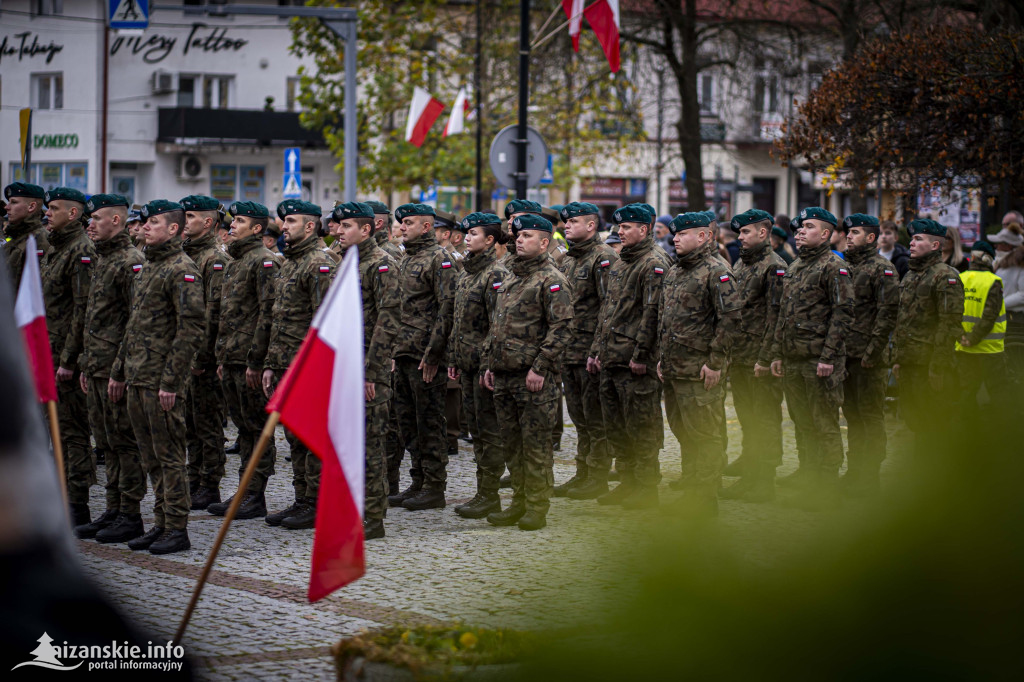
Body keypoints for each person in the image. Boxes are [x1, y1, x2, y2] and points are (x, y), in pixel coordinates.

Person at [122, 200, 205, 554]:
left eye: (153, 223)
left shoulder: (181, 269)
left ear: (173, 228)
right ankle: (161, 523)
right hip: (138, 376)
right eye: (144, 223)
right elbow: (134, 325)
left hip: (161, 381)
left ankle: (177, 528)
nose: (145, 228)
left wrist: (171, 382)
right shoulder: (148, 266)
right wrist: (120, 371)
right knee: (150, 456)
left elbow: (191, 329)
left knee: (170, 457)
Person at [482, 214, 572, 530]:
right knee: (512, 445)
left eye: (528, 236)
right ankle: (518, 502)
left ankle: (536, 506)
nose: (519, 240)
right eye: (518, 236)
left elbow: (562, 328)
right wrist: (489, 364)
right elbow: (496, 326)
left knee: (535, 446)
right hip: (505, 374)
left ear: (544, 242)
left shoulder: (551, 278)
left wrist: (541, 367)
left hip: (532, 378)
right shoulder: (510, 277)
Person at [769, 207, 854, 510]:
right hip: (794, 359)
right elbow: (784, 315)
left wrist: (828, 356)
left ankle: (827, 487)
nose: (801, 231)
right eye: (800, 227)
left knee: (824, 424)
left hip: (819, 360)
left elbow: (843, 314)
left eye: (808, 226)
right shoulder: (796, 267)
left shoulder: (834, 266)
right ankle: (809, 479)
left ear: (827, 234)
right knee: (803, 423)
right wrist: (778, 353)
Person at [658, 211, 742, 516]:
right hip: (674, 368)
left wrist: (716, 362)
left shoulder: (716, 271)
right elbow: (666, 319)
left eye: (682, 234)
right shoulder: (678, 270)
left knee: (704, 435)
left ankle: (705, 499)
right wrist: (661, 357)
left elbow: (731, 318)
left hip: (699, 369)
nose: (675, 238)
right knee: (684, 430)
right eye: (675, 234)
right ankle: (693, 487)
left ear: (704, 236)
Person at [75, 194, 147, 543]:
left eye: (97, 218)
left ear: (116, 221)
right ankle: (113, 508)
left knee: (124, 444)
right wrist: (87, 364)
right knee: (106, 443)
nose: (90, 224)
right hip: (97, 366)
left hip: (116, 371)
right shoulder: (102, 258)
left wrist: (119, 371)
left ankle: (130, 515)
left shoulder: (131, 261)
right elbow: (94, 319)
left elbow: (134, 325)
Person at [589, 203, 671, 507]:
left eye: (625, 228)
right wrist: (597, 350)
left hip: (635, 362)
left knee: (642, 427)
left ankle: (646, 488)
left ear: (644, 229)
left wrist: (641, 355)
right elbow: (608, 310)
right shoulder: (622, 261)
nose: (619, 232)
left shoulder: (654, 263)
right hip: (612, 358)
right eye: (618, 227)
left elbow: (653, 314)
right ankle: (627, 481)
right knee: (617, 426)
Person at [262, 200, 335, 529]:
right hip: (284, 363)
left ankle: (316, 502)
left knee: (310, 438)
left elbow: (324, 322)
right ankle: (301, 498)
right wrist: (269, 363)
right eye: (283, 220)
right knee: (294, 438)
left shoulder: (319, 264)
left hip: (307, 366)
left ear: (310, 226)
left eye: (291, 220)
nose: (284, 225)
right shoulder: (288, 263)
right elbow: (277, 320)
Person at [209, 202, 282, 521]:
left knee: (256, 429)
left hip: (250, 360)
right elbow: (228, 315)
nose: (232, 225)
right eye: (232, 220)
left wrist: (257, 361)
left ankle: (254, 495)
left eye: (239, 221)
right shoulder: (235, 261)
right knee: (243, 429)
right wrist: (222, 356)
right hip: (233, 357)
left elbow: (268, 316)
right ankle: (243, 490)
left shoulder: (263, 262)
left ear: (256, 229)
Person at [333, 202, 400, 539]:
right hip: (343, 368)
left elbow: (387, 323)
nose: (339, 231)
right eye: (338, 226)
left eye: (346, 226)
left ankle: (373, 518)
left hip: (366, 371)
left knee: (370, 446)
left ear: (366, 229)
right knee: (346, 444)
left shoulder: (381, 265)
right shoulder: (345, 263)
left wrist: (371, 372)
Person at [387, 203, 457, 511]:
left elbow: (447, 309)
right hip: (402, 352)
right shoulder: (407, 257)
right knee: (408, 422)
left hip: (424, 355)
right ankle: (417, 481)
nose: (402, 227)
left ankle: (434, 486)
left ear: (426, 227)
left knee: (429, 422)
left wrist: (434, 354)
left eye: (409, 223)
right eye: (401, 223)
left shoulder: (438, 259)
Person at [718, 209, 786, 502]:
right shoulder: (743, 264)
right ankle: (751, 473)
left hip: (760, 357)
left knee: (765, 419)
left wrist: (767, 357)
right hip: (742, 356)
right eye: (739, 233)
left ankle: (764, 481)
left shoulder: (774, 266)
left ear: (763, 233)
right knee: (748, 418)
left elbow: (777, 315)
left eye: (745, 232)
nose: (740, 237)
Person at [552, 202, 619, 500]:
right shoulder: (568, 259)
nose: (566, 225)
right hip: (569, 351)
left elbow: (609, 307)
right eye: (566, 222)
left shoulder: (603, 258)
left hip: (590, 353)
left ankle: (598, 476)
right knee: (579, 418)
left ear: (591, 226)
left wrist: (598, 350)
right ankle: (583, 473)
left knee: (596, 419)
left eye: (574, 221)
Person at [40, 188, 97, 528]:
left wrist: (69, 358)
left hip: (67, 359)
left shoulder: (80, 251)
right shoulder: (55, 248)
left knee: (73, 432)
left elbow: (82, 308)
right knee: (56, 430)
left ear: (73, 214)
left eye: (55, 208)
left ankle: (78, 503)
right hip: (49, 353)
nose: (49, 213)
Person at [447, 213, 509, 519]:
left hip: (483, 367)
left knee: (487, 432)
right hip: (466, 364)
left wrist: (488, 365)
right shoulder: (467, 273)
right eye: (466, 233)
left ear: (490, 240)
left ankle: (490, 494)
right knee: (476, 430)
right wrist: (454, 359)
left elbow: (495, 326)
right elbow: (458, 322)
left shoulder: (494, 275)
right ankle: (482, 492)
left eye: (473, 233)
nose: (467, 237)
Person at [892, 219, 965, 458]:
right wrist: (898, 359)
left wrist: (938, 366)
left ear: (935, 245)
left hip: (930, 365)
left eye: (918, 239)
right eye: (912, 239)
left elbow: (949, 323)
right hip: (910, 363)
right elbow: (903, 321)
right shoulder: (912, 275)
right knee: (915, 422)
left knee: (934, 425)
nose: (911, 243)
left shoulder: (944, 276)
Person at [837, 214, 898, 494]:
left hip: (868, 356)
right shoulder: (842, 265)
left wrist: (873, 352)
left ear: (871, 238)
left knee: (870, 416)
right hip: (845, 353)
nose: (849, 235)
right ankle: (854, 471)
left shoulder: (881, 269)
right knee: (851, 414)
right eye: (848, 232)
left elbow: (887, 314)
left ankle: (869, 476)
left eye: (856, 232)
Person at [179, 196, 229, 510]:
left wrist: (201, 357)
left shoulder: (214, 258)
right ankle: (194, 477)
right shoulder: (186, 253)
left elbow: (213, 312)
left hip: (204, 359)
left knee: (208, 423)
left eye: (191, 216)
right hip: (186, 354)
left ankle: (209, 484)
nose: (185, 221)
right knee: (190, 422)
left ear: (208, 222)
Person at [955, 239, 1009, 421]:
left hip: (964, 348)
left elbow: (951, 312)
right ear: (989, 259)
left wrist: (962, 337)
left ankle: (969, 432)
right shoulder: (993, 281)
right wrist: (973, 337)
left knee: (966, 392)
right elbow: (990, 315)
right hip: (989, 349)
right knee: (998, 391)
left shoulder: (960, 278)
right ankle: (1000, 432)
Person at [2, 182, 50, 287]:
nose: (7, 207)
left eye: (14, 202)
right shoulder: (13, 237)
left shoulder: (41, 240)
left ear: (31, 206)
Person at [992, 227, 1024, 384]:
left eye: (999, 243)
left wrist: (999, 304)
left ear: (1009, 245)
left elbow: (1022, 294)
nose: (996, 246)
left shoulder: (1020, 265)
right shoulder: (1000, 263)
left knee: (1013, 360)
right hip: (1003, 317)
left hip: (1014, 319)